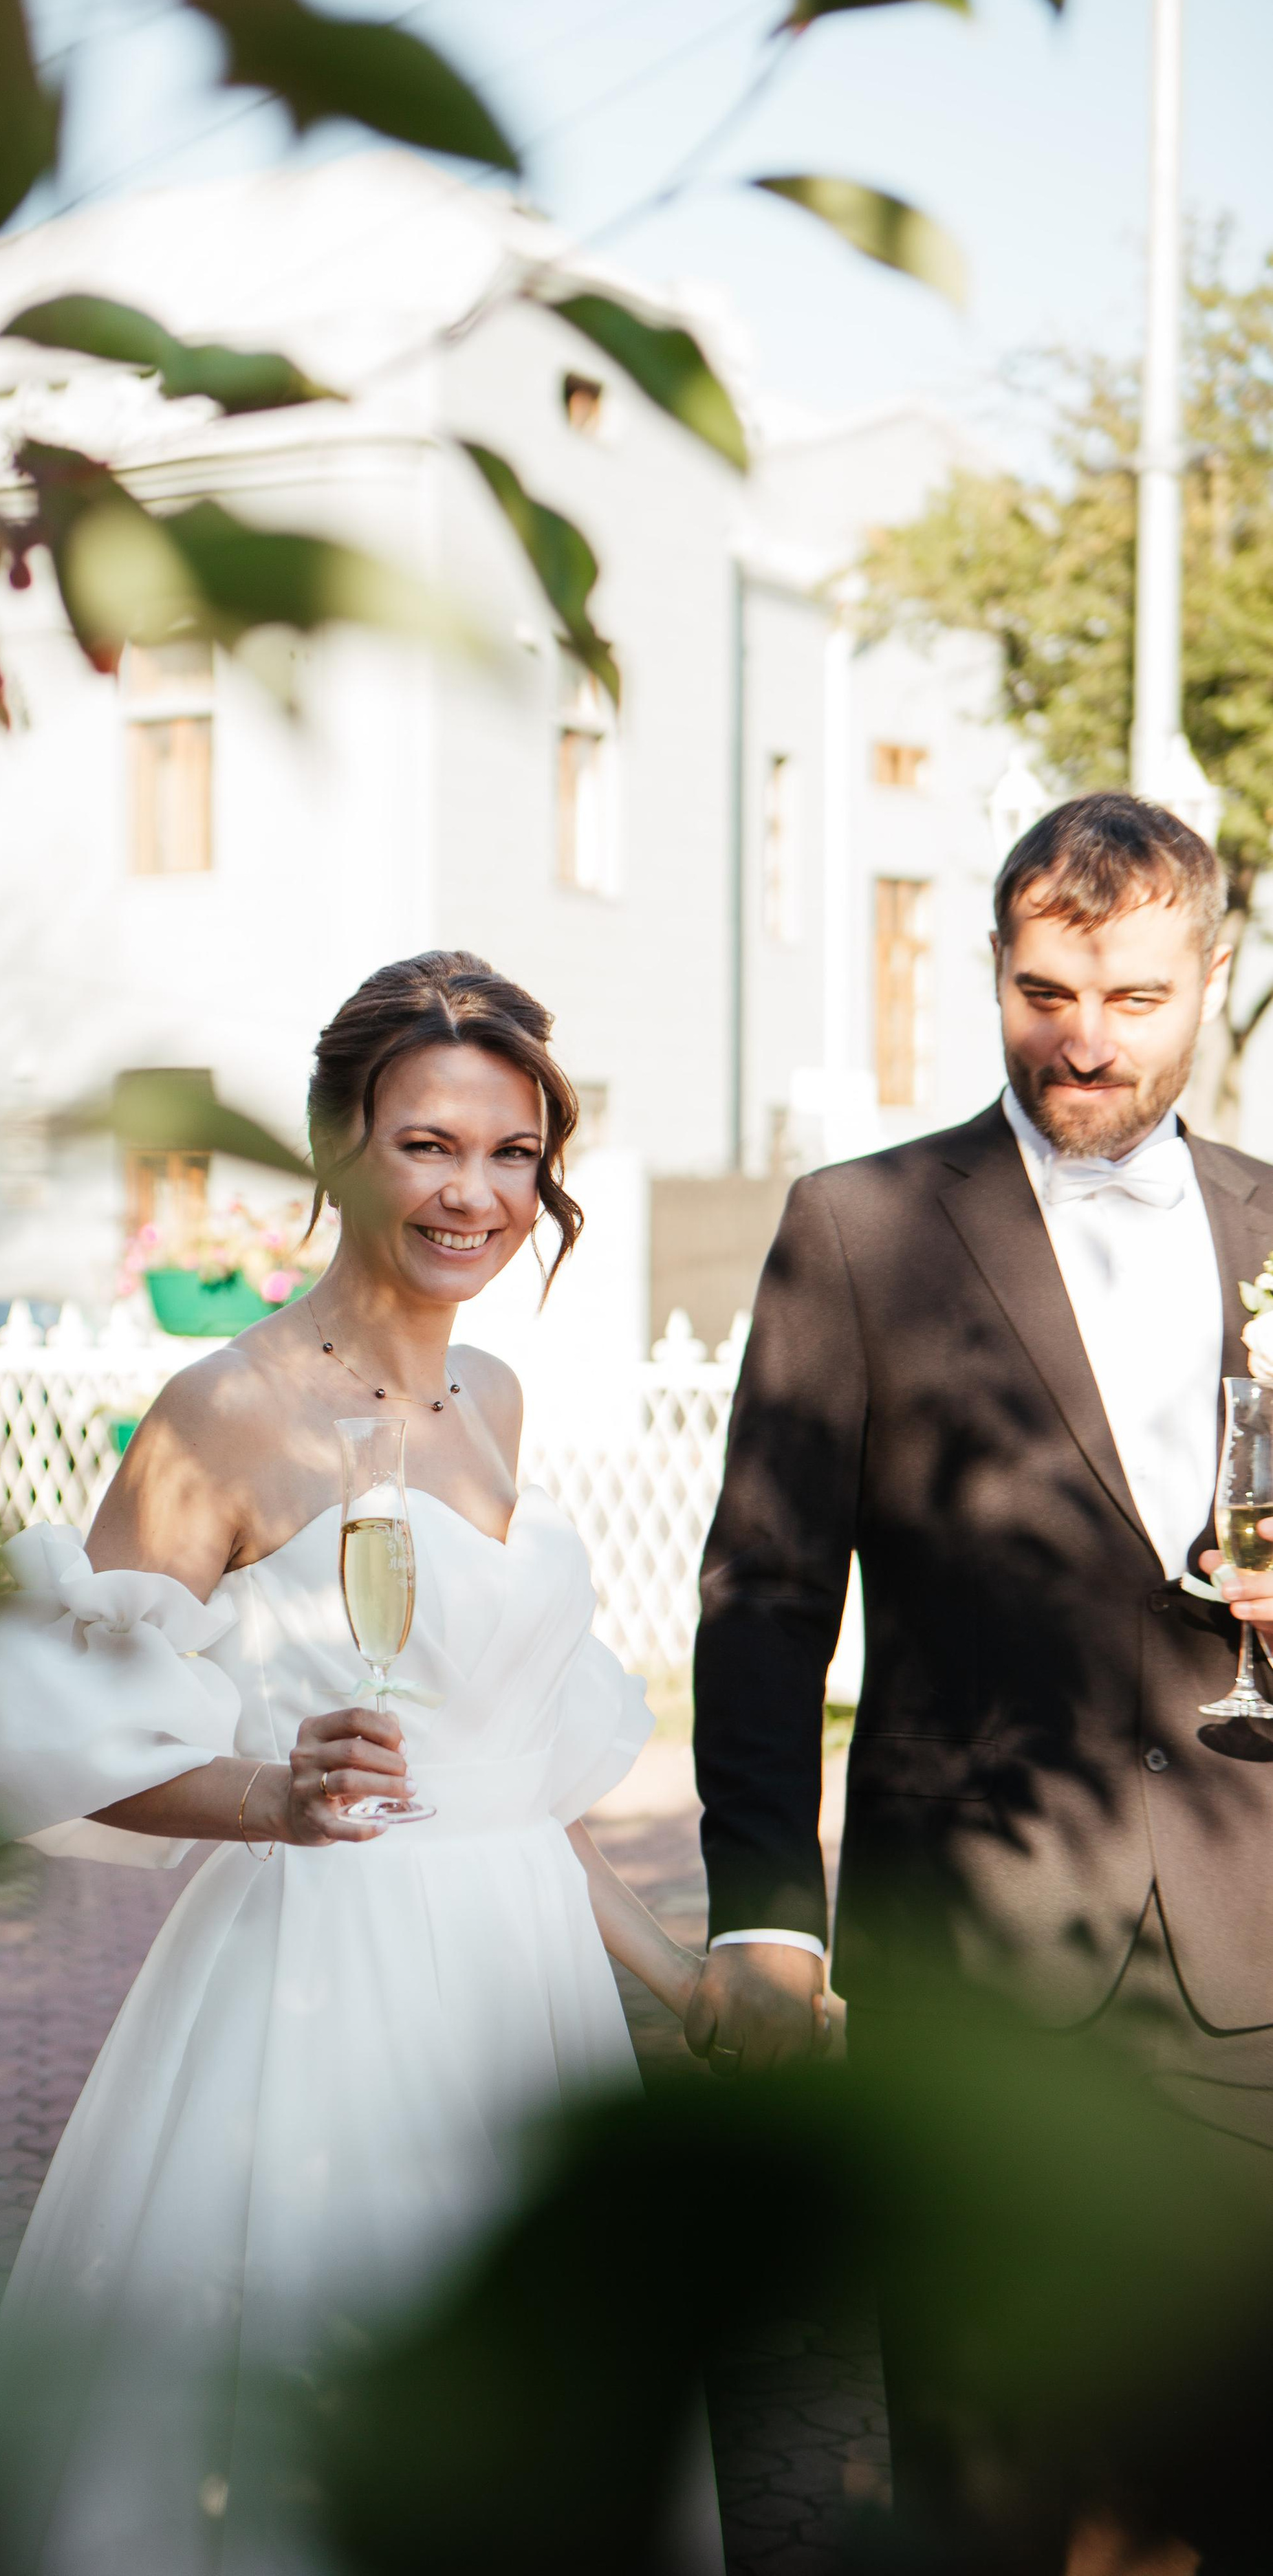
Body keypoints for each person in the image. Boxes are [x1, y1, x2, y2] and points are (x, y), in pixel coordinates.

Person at [0, 951, 718, 2574]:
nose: (473, 1193)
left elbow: (504, 1775)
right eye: (426, 1144)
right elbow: (50, 1729)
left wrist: (675, 1978)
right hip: (326, 1983)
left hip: (529, 1999)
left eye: (512, 1154)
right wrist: (271, 1798)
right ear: (334, 1148)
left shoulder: (496, 1396)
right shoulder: (221, 1410)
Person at [689, 794, 1273, 2543]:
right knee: (990, 2490)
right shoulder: (858, 1227)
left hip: (1248, 1953)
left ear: (1211, 977)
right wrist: (764, 1917)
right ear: (994, 973)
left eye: (1132, 1000)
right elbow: (764, 1593)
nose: (1081, 1042)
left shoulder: (1270, 1221)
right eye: (1042, 995)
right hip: (973, 1953)